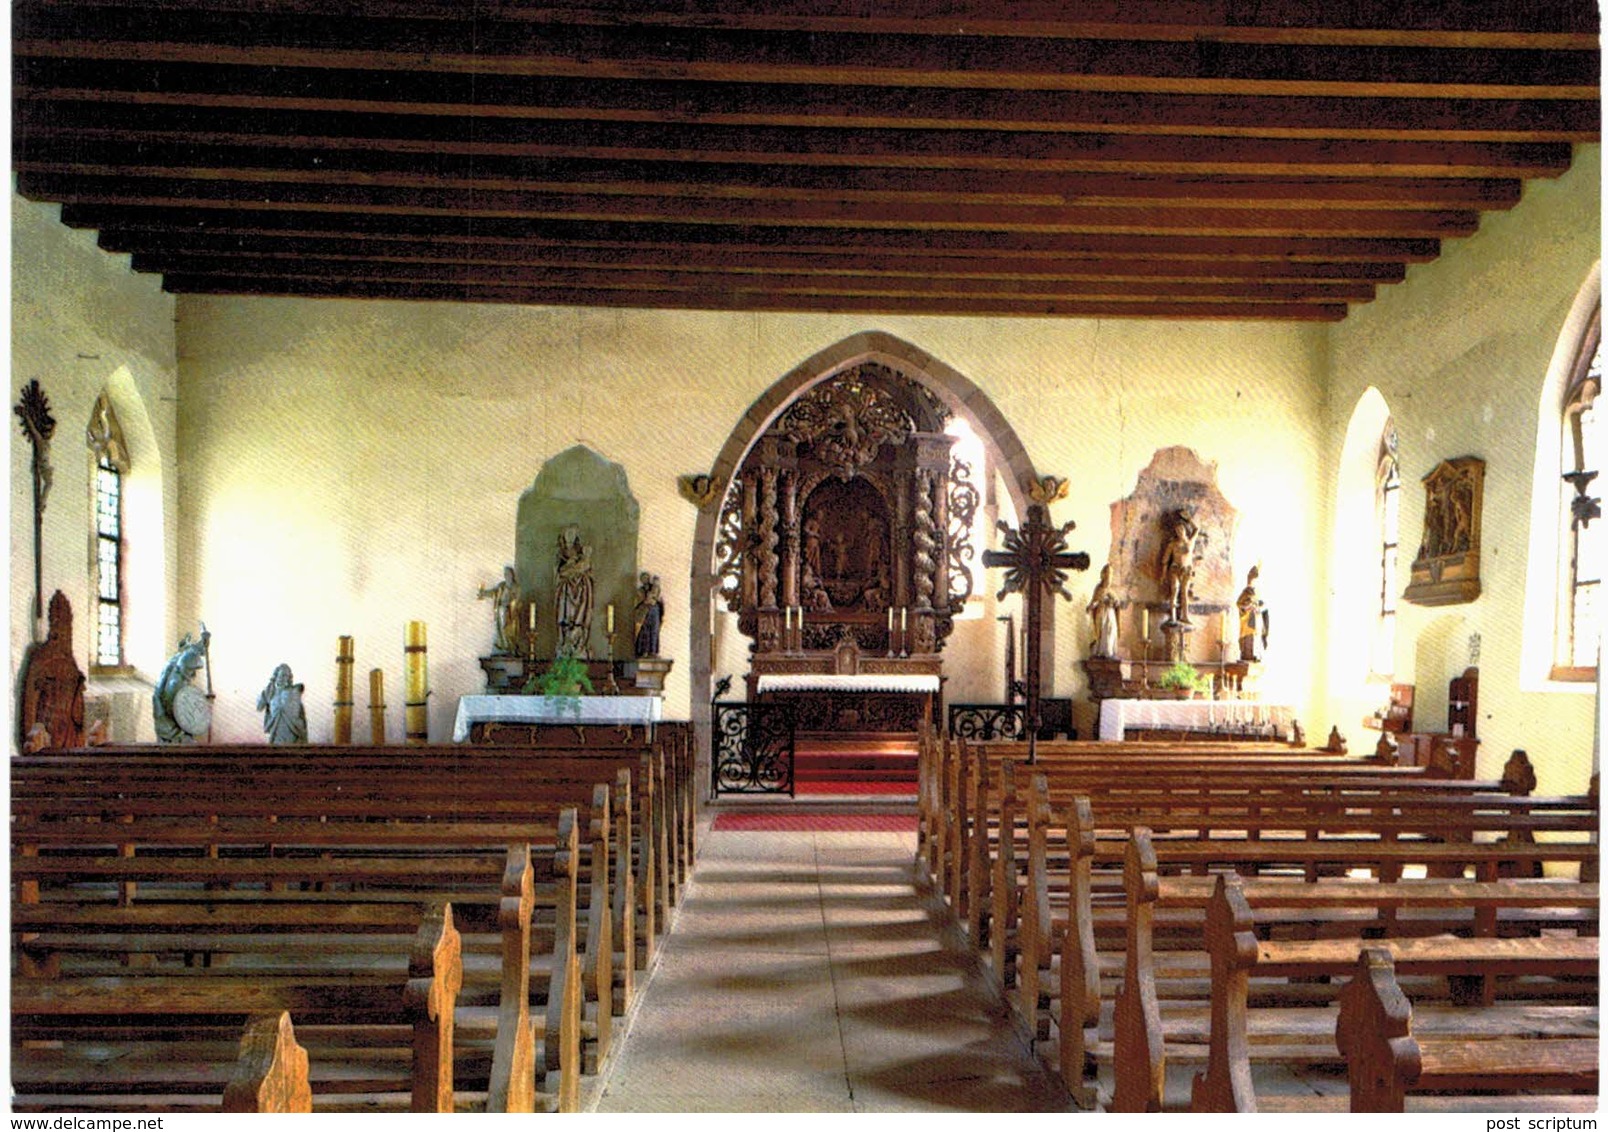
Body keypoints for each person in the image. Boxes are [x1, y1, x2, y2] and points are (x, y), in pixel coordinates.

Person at [153, 625, 210, 743]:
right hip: (171, 731)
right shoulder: (176, 682)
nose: (193, 674)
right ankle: (176, 736)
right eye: (192, 671)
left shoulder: (175, 663)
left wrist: (203, 641)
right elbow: (173, 709)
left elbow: (194, 651)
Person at [555, 524, 595, 658]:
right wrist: (571, 569)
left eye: (572, 534)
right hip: (566, 589)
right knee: (565, 613)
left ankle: (579, 643)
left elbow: (588, 570)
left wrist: (576, 570)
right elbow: (558, 573)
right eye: (568, 534)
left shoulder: (581, 554)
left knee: (580, 613)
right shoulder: (560, 554)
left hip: (581, 588)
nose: (570, 537)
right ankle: (564, 642)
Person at [1158, 508, 1201, 624]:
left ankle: (1185, 616)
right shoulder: (1173, 544)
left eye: (1181, 529)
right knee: (1174, 590)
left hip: (1186, 570)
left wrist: (1189, 519)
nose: (1179, 532)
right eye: (1177, 530)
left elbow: (1197, 529)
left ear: (1185, 530)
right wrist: (1163, 574)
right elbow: (1165, 560)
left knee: (1184, 592)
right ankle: (1173, 616)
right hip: (1175, 569)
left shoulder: (1190, 542)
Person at [256, 663, 307, 744]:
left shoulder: (293, 693)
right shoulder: (270, 692)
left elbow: (298, 714)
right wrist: (265, 694)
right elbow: (259, 707)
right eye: (282, 675)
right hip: (276, 733)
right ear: (276, 676)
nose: (283, 678)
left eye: (286, 676)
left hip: (292, 733)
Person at [477, 564, 523, 654]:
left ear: (512, 575)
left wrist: (510, 605)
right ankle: (503, 645)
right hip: (501, 610)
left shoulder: (516, 587)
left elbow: (517, 600)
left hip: (511, 613)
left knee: (508, 628)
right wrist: (483, 593)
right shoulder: (502, 586)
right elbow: (493, 592)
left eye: (508, 574)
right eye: (505, 574)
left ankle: (510, 646)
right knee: (501, 628)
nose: (506, 576)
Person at [1086, 563, 1123, 659]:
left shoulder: (1111, 591)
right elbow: (1095, 601)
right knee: (1104, 632)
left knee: (1112, 629)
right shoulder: (1099, 589)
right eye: (1108, 573)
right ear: (1103, 575)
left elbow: (1117, 604)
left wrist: (1115, 603)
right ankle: (1103, 651)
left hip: (1110, 614)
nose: (1109, 576)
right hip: (1102, 614)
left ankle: (1110, 651)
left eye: (1111, 573)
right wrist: (1092, 606)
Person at [1236, 565, 1270, 662]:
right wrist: (1249, 607)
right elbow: (1239, 604)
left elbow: (1264, 606)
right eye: (1252, 579)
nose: (1253, 581)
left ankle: (1257, 654)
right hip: (1248, 622)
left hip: (1257, 621)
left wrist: (1259, 608)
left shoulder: (1258, 593)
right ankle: (1248, 655)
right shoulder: (1246, 591)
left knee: (1257, 637)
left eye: (1255, 579)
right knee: (1248, 639)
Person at [632, 572, 664, 658]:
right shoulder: (640, 591)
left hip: (655, 612)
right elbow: (638, 603)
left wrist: (656, 600)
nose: (646, 580)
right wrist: (646, 601)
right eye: (644, 579)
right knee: (645, 632)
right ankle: (644, 651)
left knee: (654, 631)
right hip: (645, 612)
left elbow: (659, 600)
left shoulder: (655, 588)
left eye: (647, 578)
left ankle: (653, 651)